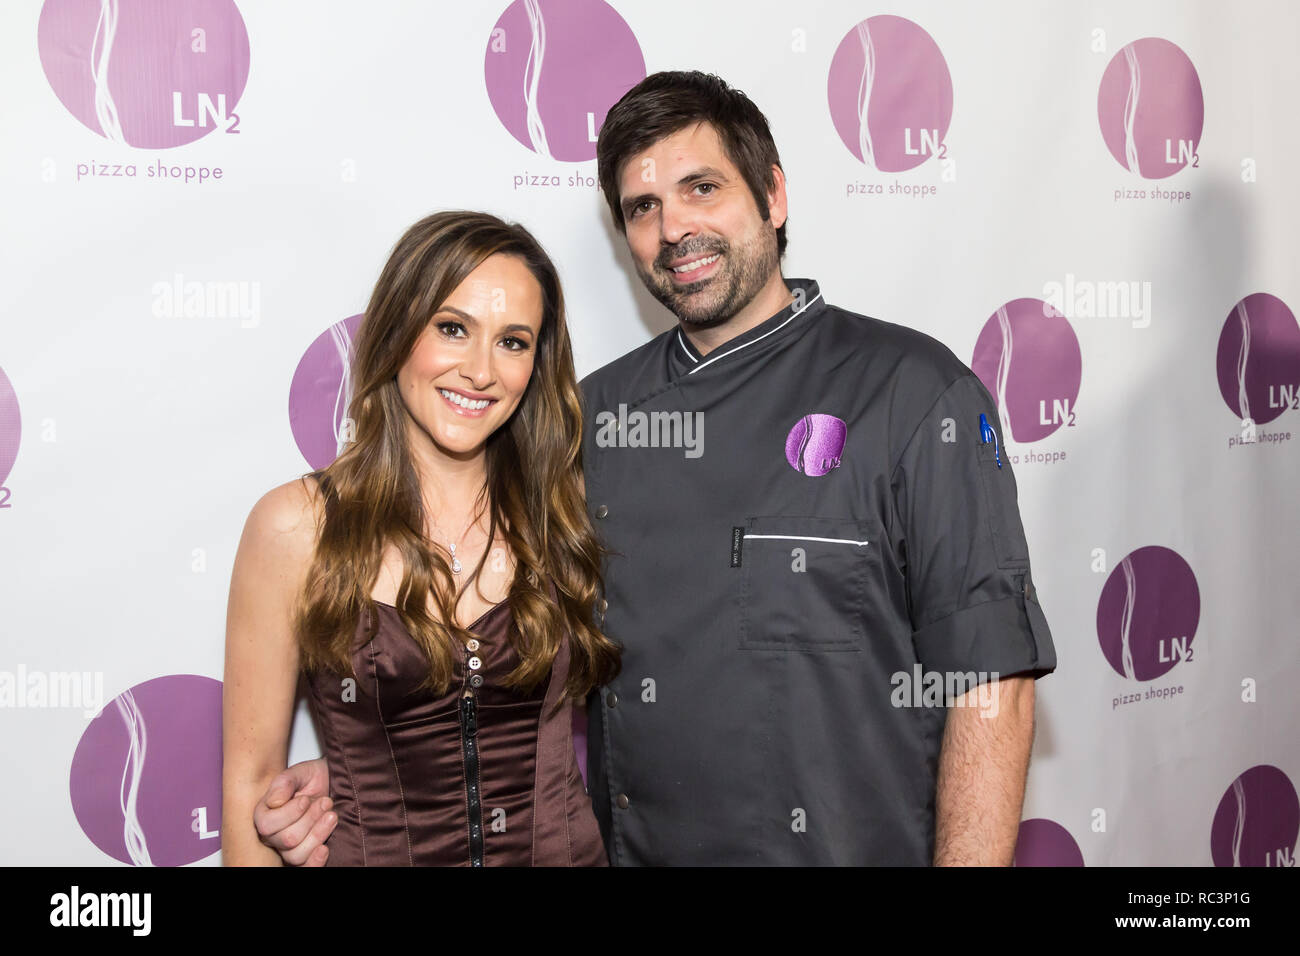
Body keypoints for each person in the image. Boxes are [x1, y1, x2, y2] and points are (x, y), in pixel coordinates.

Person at [256, 72, 1056, 866]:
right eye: (643, 208)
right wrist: (376, 766)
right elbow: (483, 653)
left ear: (774, 198)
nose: (675, 228)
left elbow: (993, 687)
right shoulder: (583, 422)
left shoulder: (916, 393)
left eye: (702, 188)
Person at [221, 210, 619, 866]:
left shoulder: (564, 514)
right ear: (399, 331)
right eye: (453, 329)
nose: (481, 371)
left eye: (513, 342)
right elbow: (251, 788)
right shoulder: (297, 526)